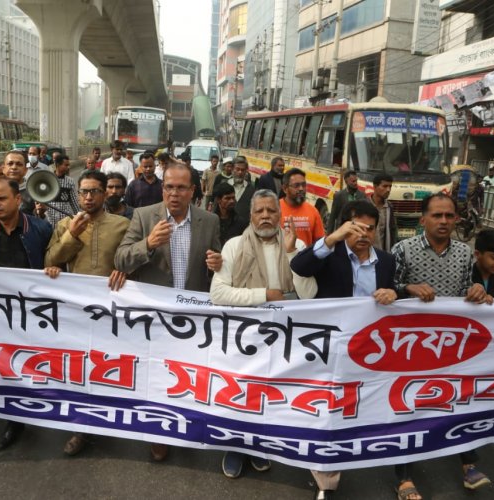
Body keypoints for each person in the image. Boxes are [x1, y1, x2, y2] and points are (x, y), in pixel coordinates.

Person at [115, 161, 222, 462]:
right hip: (154, 317)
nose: (173, 194)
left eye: (181, 188)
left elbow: (216, 268)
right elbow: (121, 259)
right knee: (156, 379)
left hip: (193, 319)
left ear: (193, 191)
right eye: (169, 187)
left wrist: (217, 265)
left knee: (188, 377)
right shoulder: (143, 216)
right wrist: (147, 244)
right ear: (162, 189)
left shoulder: (209, 221)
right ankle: (158, 435)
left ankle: (186, 427)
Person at [290, 200, 396, 499]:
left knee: (350, 410)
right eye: (357, 227)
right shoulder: (330, 253)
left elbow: (394, 294)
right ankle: (326, 481)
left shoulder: (386, 262)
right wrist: (332, 238)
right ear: (345, 226)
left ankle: (341, 457)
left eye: (370, 229)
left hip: (368, 352)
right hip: (328, 349)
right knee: (326, 411)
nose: (364, 234)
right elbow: (298, 265)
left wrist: (393, 293)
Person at [390, 193, 491, 500]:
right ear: (423, 220)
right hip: (410, 345)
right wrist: (407, 288)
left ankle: (469, 465)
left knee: (460, 401)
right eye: (437, 216)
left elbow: (467, 290)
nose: (444, 221)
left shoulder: (464, 252)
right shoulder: (402, 249)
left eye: (449, 216)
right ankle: (404, 476)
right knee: (409, 407)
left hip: (453, 346)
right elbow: (384, 289)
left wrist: (476, 291)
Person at [210, 189, 316, 479]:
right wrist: (265, 295)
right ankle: (235, 447)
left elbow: (309, 296)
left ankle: (258, 448)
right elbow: (218, 293)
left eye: (271, 211)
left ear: (280, 216)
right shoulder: (234, 246)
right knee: (239, 393)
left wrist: (294, 252)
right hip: (243, 338)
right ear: (251, 215)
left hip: (284, 339)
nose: (266, 216)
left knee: (270, 396)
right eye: (260, 211)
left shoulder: (298, 243)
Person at [0, 177, 56, 450]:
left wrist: (54, 267)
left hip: (31, 313)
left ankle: (18, 417)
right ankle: (7, 412)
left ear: (18, 200)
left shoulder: (40, 229)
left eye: (1, 198)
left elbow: (56, 260)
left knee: (23, 363)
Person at [45, 170, 130, 457]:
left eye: (94, 191)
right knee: (81, 370)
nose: (88, 197)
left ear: (106, 194)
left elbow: (130, 262)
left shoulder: (122, 225)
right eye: (83, 192)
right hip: (77, 313)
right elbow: (51, 260)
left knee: (111, 367)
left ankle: (110, 420)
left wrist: (125, 269)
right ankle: (82, 427)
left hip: (113, 312)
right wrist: (72, 235)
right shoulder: (66, 224)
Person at [278, 168, 324, 247]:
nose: (301, 189)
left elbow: (319, 242)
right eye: (296, 186)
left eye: (303, 185)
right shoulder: (274, 209)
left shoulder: (313, 211)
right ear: (285, 189)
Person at [37, 154, 79, 227]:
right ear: (58, 165)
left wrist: (78, 216)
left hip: (65, 221)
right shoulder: (47, 180)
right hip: (50, 220)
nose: (68, 167)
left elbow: (74, 202)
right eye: (66, 165)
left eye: (68, 165)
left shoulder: (70, 181)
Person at [367, 173, 397, 251]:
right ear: (375, 187)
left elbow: (392, 231)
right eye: (384, 186)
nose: (388, 190)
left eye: (390, 186)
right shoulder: (364, 205)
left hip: (384, 253)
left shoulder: (389, 207)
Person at [226, 157, 254, 224]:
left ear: (246, 171)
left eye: (243, 170)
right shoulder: (224, 185)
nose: (240, 172)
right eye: (237, 169)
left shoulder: (251, 189)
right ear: (232, 169)